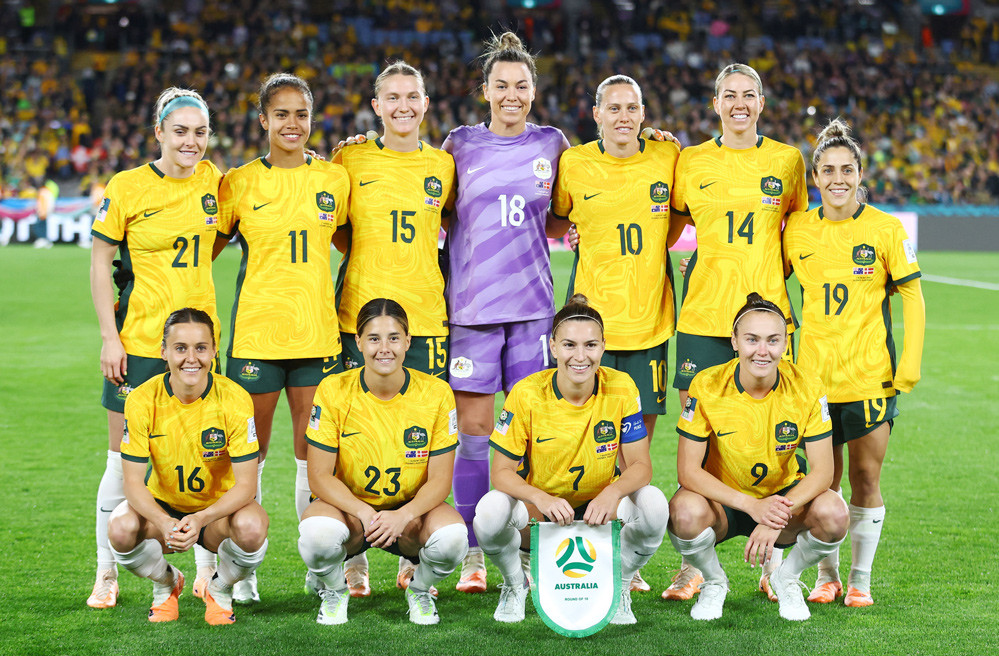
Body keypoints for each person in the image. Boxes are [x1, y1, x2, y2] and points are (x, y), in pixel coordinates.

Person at [664, 63, 808, 601]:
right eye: (729, 95)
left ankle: (776, 560)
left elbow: (795, 235)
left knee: (778, 435)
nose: (739, 103)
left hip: (768, 322)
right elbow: (667, 226)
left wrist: (765, 278)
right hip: (703, 319)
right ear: (715, 103)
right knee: (698, 444)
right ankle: (694, 565)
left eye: (749, 95)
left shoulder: (787, 161)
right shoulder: (690, 160)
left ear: (762, 103)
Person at [441, 30, 571, 594]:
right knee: (474, 434)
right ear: (486, 90)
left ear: (533, 91)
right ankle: (473, 551)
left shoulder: (553, 144)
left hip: (534, 311)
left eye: (521, 86)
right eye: (501, 85)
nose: (511, 94)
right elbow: (441, 212)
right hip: (471, 308)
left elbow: (562, 217)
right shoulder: (458, 144)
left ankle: (529, 545)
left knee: (532, 433)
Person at [215, 72, 351, 601]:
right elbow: (206, 249)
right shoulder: (239, 182)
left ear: (311, 119)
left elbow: (350, 241)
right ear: (263, 120)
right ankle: (239, 570)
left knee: (312, 460)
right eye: (281, 114)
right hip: (256, 339)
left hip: (317, 338)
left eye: (301, 114)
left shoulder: (334, 178)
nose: (292, 123)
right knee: (247, 458)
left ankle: (317, 566)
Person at [88, 87, 223, 609]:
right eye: (180, 131)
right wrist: (109, 336)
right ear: (159, 133)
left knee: (207, 459)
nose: (191, 141)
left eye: (200, 132)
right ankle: (106, 572)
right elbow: (100, 263)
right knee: (119, 461)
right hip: (140, 344)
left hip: (200, 348)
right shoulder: (126, 187)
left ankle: (206, 572)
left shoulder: (215, 181)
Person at [783, 119, 924, 607]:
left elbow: (913, 296)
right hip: (813, 384)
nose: (837, 178)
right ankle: (828, 577)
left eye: (847, 169)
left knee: (866, 480)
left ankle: (860, 579)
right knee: (824, 483)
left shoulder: (885, 229)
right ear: (815, 177)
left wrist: (908, 364)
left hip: (868, 380)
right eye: (828, 170)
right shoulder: (797, 229)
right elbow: (764, 275)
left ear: (860, 175)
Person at [330, 62, 456, 597]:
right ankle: (353, 558)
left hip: (425, 322)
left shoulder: (444, 164)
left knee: (421, 445)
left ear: (425, 104)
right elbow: (337, 232)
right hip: (358, 320)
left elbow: (457, 226)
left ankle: (411, 552)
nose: (403, 106)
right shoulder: (350, 158)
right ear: (376, 106)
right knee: (350, 443)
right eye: (392, 97)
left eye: (412, 96)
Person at [473, 295, 669, 625]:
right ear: (553, 347)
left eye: (590, 345)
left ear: (603, 347)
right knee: (489, 512)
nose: (580, 356)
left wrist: (612, 493)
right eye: (569, 345)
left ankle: (620, 586)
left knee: (654, 504)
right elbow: (501, 473)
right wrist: (540, 498)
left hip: (600, 513)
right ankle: (515, 584)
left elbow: (641, 466)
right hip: (540, 514)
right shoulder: (526, 393)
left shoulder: (621, 387)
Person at [667, 293, 848, 621]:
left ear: (785, 344)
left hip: (782, 501)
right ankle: (714, 581)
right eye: (752, 339)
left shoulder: (807, 386)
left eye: (772, 340)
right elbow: (687, 471)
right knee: (684, 512)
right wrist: (752, 506)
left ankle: (786, 577)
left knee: (834, 513)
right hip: (724, 503)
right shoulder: (706, 385)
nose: (762, 351)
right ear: (734, 341)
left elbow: (823, 472)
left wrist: (775, 514)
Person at [297, 298, 468, 626]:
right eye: (374, 338)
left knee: (453, 540)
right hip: (351, 512)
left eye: (393, 338)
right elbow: (318, 475)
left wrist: (402, 515)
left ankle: (419, 589)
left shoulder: (437, 393)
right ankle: (335, 590)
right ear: (359, 342)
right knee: (317, 535)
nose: (384, 348)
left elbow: (440, 481)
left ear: (408, 341)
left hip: (410, 514)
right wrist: (366, 513)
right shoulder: (333, 390)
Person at [107, 308, 268, 625]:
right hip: (163, 509)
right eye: (180, 348)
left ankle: (219, 588)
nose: (191, 358)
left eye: (201, 348)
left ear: (214, 351)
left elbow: (247, 485)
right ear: (163, 351)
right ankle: (167, 582)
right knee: (120, 529)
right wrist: (164, 521)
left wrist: (201, 518)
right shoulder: (142, 400)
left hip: (217, 514)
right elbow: (133, 483)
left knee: (252, 527)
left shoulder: (235, 399)